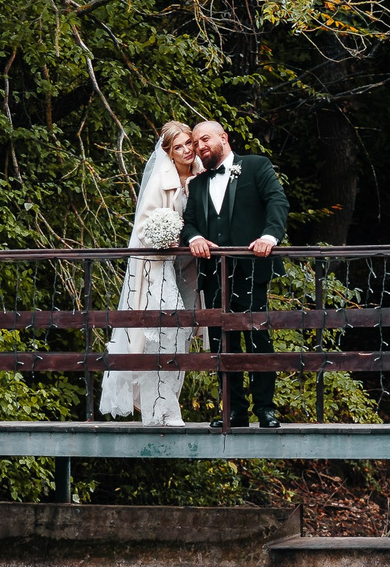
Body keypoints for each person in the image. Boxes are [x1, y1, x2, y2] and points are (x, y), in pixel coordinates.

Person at [181, 121, 287, 429]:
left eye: (204, 139)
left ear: (223, 138)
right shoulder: (197, 185)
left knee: (258, 337)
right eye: (195, 142)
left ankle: (265, 409)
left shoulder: (255, 166)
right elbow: (189, 223)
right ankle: (233, 410)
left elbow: (277, 201)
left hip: (251, 268)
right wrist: (193, 238)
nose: (199, 146)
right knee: (221, 342)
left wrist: (270, 236)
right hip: (214, 273)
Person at [100, 122, 200, 427]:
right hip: (158, 266)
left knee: (184, 332)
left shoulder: (201, 176)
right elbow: (143, 228)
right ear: (168, 153)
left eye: (188, 144)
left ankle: (165, 404)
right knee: (164, 332)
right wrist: (164, 237)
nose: (186, 151)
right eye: (178, 147)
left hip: (189, 268)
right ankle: (161, 408)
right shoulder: (161, 179)